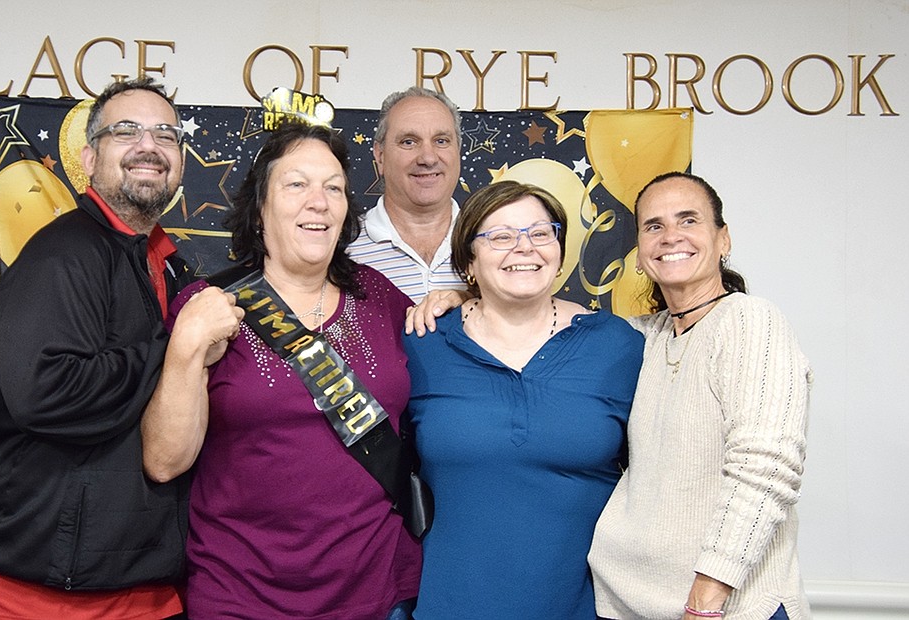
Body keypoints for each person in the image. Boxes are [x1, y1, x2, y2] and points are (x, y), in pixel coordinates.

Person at [0, 77, 242, 619]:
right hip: (37, 590)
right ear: (89, 157)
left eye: (165, 135)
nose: (148, 146)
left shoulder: (169, 268)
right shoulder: (61, 256)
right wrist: (176, 347)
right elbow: (47, 393)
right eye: (125, 131)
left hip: (141, 579)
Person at [141, 121, 421, 619]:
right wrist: (185, 349)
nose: (319, 201)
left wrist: (457, 300)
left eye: (333, 188)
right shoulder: (208, 306)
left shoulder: (380, 298)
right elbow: (164, 461)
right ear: (260, 209)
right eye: (296, 184)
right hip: (239, 594)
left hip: (377, 592)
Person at [402, 180, 643, 618]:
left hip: (587, 608)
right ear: (467, 261)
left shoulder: (618, 346)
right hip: (449, 604)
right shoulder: (421, 344)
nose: (524, 248)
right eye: (500, 236)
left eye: (540, 232)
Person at [588, 172, 813, 620]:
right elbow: (544, 322)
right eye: (653, 226)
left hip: (725, 608)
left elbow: (765, 470)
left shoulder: (751, 322)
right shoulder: (642, 338)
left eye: (688, 220)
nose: (671, 236)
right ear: (639, 252)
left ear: (723, 239)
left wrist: (706, 598)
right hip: (628, 601)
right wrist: (467, 298)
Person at [348, 86, 467, 303]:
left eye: (441, 141)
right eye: (409, 142)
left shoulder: (493, 243)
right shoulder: (340, 249)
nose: (428, 158)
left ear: (457, 150)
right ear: (380, 155)